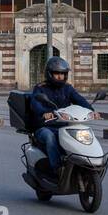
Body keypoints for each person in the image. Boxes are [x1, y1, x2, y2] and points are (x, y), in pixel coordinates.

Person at [29, 56, 100, 184]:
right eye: (57, 74)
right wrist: (45, 113)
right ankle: (58, 169)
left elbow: (79, 100)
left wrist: (91, 110)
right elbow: (35, 104)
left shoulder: (67, 88)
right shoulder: (40, 88)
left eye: (63, 74)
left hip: (64, 126)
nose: (60, 77)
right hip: (44, 127)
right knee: (50, 137)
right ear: (49, 74)